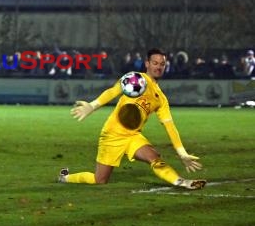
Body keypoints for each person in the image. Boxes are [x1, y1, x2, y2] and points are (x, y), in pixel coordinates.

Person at [59, 48, 206, 190]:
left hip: (132, 136)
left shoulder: (161, 98)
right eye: (155, 63)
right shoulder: (136, 78)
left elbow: (169, 125)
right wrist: (92, 106)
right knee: (100, 180)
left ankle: (182, 182)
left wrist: (182, 152)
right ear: (147, 63)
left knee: (154, 157)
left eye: (162, 64)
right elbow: (113, 91)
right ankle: (65, 177)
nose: (159, 67)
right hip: (113, 134)